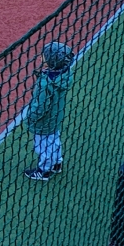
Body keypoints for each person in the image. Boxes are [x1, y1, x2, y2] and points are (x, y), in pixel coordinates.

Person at [25, 41, 75, 181]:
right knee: (54, 139)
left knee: (43, 145)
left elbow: (40, 106)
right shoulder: (65, 74)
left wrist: (32, 116)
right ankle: (57, 163)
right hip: (55, 116)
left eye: (44, 55)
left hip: (44, 120)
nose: (42, 56)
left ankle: (44, 171)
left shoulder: (45, 83)